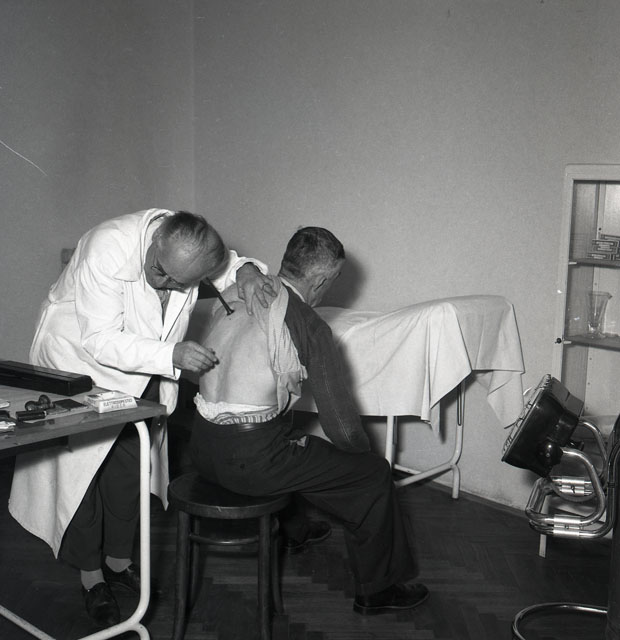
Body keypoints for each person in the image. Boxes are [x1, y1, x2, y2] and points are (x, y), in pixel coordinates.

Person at [9, 208, 276, 628]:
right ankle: (92, 577)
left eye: (179, 283)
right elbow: (100, 340)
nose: (165, 283)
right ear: (155, 240)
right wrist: (172, 354)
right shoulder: (106, 246)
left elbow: (231, 267)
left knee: (131, 468)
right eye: (159, 270)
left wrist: (245, 271)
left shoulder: (185, 252)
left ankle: (118, 563)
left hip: (143, 366)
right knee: (82, 476)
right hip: (77, 363)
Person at [190, 226, 429, 615]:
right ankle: (378, 590)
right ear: (320, 279)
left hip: (201, 448)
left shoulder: (235, 293)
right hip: (251, 463)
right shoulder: (305, 321)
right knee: (371, 474)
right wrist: (362, 456)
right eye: (333, 280)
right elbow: (342, 427)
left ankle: (295, 531)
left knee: (291, 437)